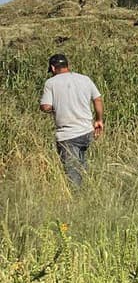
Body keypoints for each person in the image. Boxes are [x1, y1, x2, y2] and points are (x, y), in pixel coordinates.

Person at [39, 54, 103, 187]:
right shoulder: (85, 79)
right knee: (86, 169)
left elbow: (45, 106)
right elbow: (97, 99)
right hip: (88, 132)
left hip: (68, 135)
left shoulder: (51, 83)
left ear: (52, 67)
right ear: (67, 65)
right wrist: (99, 120)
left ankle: (78, 201)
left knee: (73, 175)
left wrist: (55, 108)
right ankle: (90, 194)